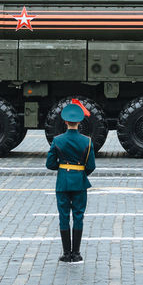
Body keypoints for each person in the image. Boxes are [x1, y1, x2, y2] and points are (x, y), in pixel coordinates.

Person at [46, 99, 96, 264]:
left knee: (63, 216)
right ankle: (77, 253)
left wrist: (62, 168)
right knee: (78, 216)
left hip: (62, 183)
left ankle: (66, 253)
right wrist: (79, 172)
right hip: (79, 182)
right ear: (80, 121)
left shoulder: (57, 140)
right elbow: (91, 166)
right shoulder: (87, 141)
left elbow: (50, 164)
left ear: (65, 121)